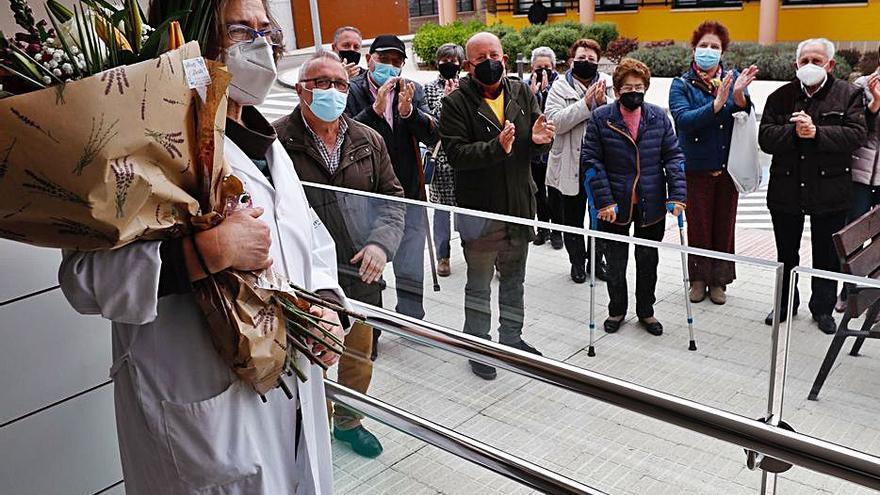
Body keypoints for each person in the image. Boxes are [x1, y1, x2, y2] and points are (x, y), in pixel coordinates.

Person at [59, 1, 344, 492]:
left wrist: (328, 305)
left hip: (289, 394)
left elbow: (310, 238)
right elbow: (84, 280)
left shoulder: (266, 142)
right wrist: (207, 252)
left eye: (265, 29)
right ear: (187, 40)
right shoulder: (141, 145)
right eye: (239, 30)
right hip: (201, 415)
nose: (261, 44)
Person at [274, 51, 406, 458]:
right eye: (321, 83)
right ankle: (309, 426)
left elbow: (394, 198)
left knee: (357, 359)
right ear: (300, 91)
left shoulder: (368, 139)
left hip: (360, 273)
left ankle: (348, 422)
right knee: (308, 358)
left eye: (340, 84)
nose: (333, 91)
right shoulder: (276, 142)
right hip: (306, 281)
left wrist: (381, 245)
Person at [439, 32, 556, 379]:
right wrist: (495, 147)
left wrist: (538, 143)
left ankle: (511, 338)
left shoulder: (521, 92)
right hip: (481, 212)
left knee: (514, 278)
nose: (490, 62)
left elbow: (534, 142)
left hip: (519, 204)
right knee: (478, 282)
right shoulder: (456, 102)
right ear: (467, 66)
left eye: (495, 55)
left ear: (504, 59)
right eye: (481, 58)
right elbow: (455, 154)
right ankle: (478, 346)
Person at [759, 38, 867, 334]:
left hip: (830, 188)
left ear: (830, 65)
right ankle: (784, 304)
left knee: (826, 253)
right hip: (786, 187)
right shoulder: (780, 96)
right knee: (786, 253)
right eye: (804, 60)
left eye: (817, 61)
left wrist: (817, 132)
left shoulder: (849, 95)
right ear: (796, 65)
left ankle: (822, 307)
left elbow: (856, 135)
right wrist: (794, 133)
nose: (810, 66)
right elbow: (765, 138)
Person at [582, 58, 687, 337]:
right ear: (617, 90)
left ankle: (646, 311)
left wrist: (677, 194)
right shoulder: (601, 117)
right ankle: (617, 309)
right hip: (614, 205)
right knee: (615, 260)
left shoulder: (658, 117)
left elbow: (673, 156)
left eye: (639, 86)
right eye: (628, 87)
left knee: (647, 258)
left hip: (651, 202)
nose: (634, 91)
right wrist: (604, 201)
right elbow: (591, 161)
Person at [344, 34, 438, 327]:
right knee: (370, 262)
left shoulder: (412, 90)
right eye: (384, 59)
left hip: (408, 191)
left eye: (397, 62)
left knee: (410, 260)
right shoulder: (351, 91)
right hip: (366, 193)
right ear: (370, 59)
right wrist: (374, 111)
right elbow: (343, 135)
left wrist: (409, 113)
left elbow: (433, 136)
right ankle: (371, 327)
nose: (390, 66)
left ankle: (412, 319)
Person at [669, 21, 758, 305]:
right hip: (695, 169)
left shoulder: (733, 81)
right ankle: (697, 279)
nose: (708, 51)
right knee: (699, 226)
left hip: (727, 167)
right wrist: (716, 105)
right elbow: (683, 120)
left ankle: (719, 281)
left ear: (723, 52)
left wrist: (740, 97)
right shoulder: (680, 84)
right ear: (694, 49)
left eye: (715, 47)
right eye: (703, 46)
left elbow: (743, 114)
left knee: (724, 226)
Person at [544, 38, 614, 284]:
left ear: (598, 63)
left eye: (592, 60)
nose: (586, 63)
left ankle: (597, 261)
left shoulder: (608, 87)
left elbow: (618, 123)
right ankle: (577, 262)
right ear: (571, 60)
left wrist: (603, 107)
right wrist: (585, 104)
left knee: (601, 217)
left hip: (599, 165)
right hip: (568, 163)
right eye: (581, 58)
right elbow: (554, 123)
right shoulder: (559, 88)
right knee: (571, 219)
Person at [837, 49, 880, 312]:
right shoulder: (862, 86)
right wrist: (874, 104)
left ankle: (875, 297)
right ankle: (847, 292)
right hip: (860, 174)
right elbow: (854, 130)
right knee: (852, 237)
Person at [424, 42, 465, 277]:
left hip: (464, 159)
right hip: (440, 159)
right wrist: (447, 100)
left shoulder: (469, 85)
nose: (449, 65)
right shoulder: (428, 88)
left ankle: (473, 250)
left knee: (468, 209)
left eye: (453, 61)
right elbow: (431, 123)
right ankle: (443, 256)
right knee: (441, 212)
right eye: (444, 60)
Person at [527, 46, 564, 250]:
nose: (542, 70)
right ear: (532, 67)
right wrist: (534, 94)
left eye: (547, 67)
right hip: (535, 153)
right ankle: (543, 228)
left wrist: (547, 92)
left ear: (554, 67)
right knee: (538, 191)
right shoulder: (526, 86)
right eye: (539, 67)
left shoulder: (560, 86)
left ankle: (558, 230)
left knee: (556, 192)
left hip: (554, 150)